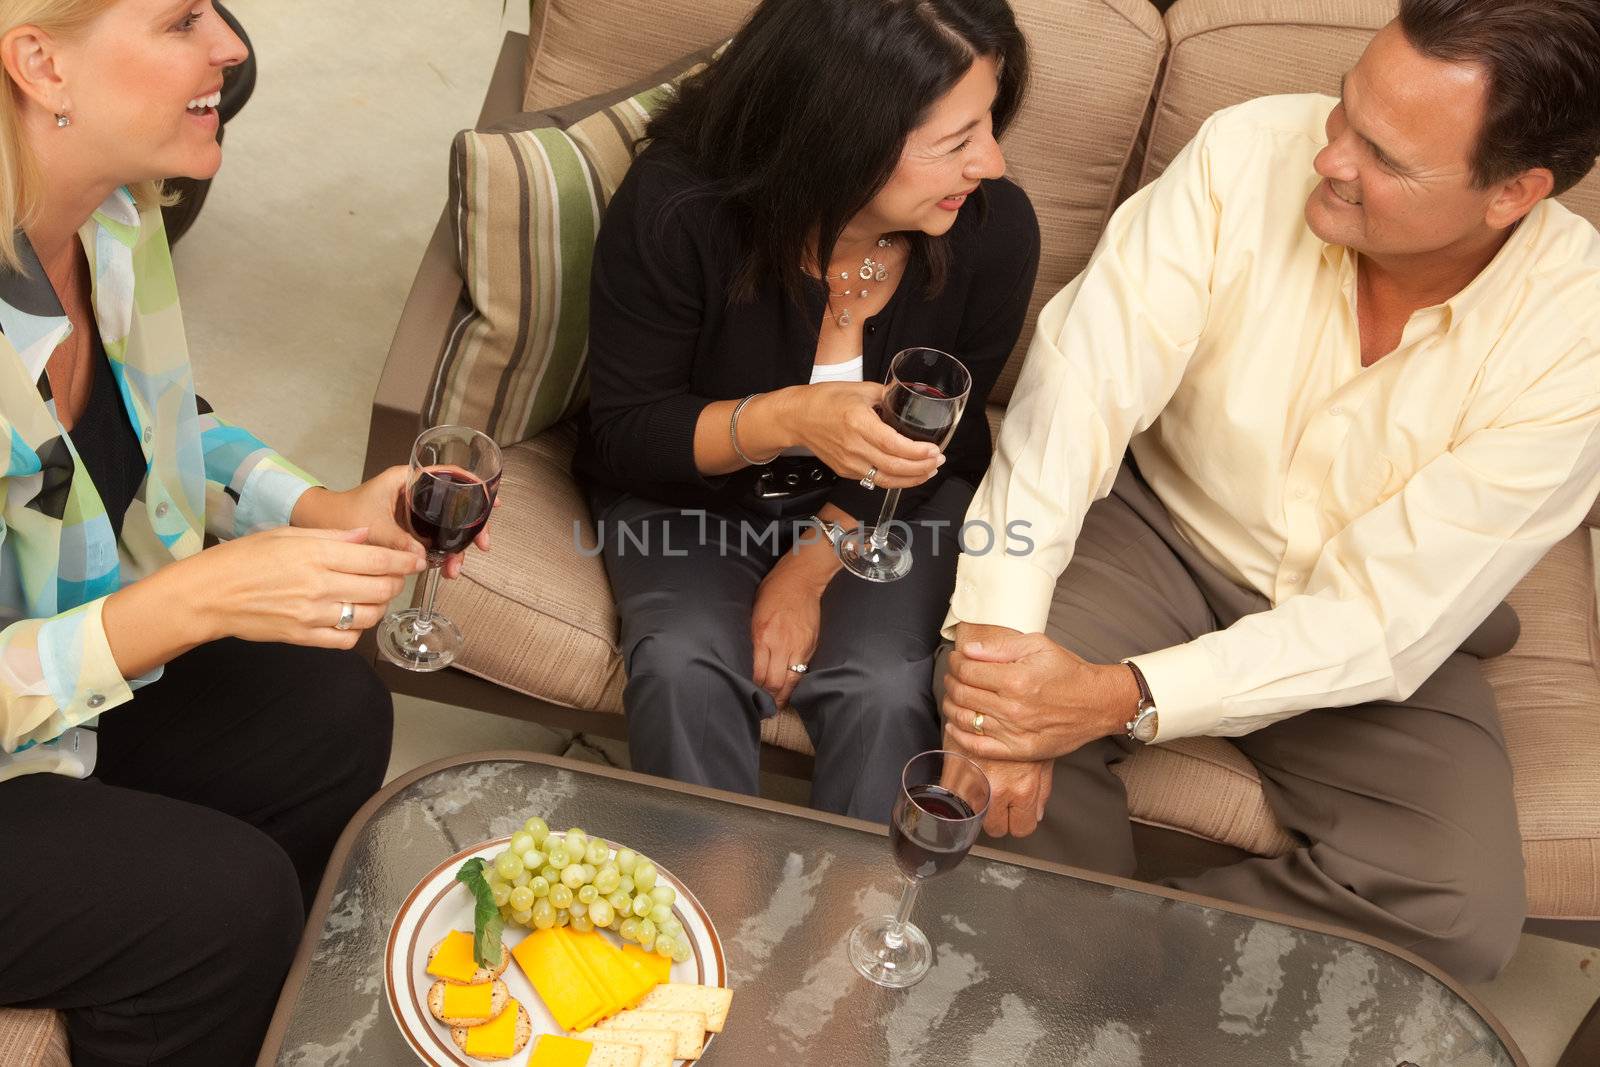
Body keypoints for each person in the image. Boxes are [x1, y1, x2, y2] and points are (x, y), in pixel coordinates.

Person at [938, 0, 1600, 983]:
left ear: (1512, 192)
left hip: (1378, 628)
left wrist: (1120, 697)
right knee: (979, 716)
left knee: (1455, 911)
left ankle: (1104, 997)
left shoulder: (1576, 336)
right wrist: (999, 675)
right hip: (1160, 532)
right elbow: (1072, 403)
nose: (1329, 154)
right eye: (1344, 111)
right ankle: (1046, 1000)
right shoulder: (1244, 155)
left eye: (1383, 155)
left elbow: (1381, 623)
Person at [0, 2, 481, 1063]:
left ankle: (268, 1026)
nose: (233, 46)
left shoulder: (112, 217)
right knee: (225, 901)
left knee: (330, 701)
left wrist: (319, 507)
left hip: (49, 685)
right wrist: (191, 600)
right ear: (39, 64)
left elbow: (165, 410)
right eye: (180, 20)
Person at [576, 0, 1039, 820]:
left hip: (895, 508)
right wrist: (789, 417)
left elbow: (940, 436)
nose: (992, 164)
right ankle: (709, 926)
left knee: (884, 688)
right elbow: (625, 435)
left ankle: (848, 936)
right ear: (844, 134)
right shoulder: (677, 209)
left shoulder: (990, 234)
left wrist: (810, 564)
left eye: (990, 126)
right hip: (689, 495)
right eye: (958, 141)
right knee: (685, 663)